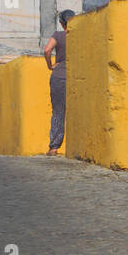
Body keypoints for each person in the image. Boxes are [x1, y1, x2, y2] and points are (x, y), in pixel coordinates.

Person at [43, 9, 75, 154]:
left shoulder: (58, 35)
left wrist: (50, 65)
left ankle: (54, 147)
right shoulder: (80, 36)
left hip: (59, 76)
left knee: (58, 112)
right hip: (77, 77)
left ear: (62, 24)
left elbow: (47, 50)